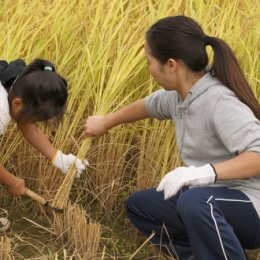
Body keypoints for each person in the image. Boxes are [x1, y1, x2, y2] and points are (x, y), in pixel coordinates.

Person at [84, 16, 260, 259]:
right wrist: (105, 122)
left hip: (251, 206)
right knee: (141, 205)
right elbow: (147, 105)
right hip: (209, 201)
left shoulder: (219, 101)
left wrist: (203, 173)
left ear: (171, 65)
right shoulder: (180, 97)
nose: (149, 69)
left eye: (150, 62)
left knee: (195, 201)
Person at [0, 59, 88, 232]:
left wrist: (57, 157)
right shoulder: (1, 111)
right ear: (17, 104)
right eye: (36, 119)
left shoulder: (20, 83)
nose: (35, 123)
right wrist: (11, 182)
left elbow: (25, 121)